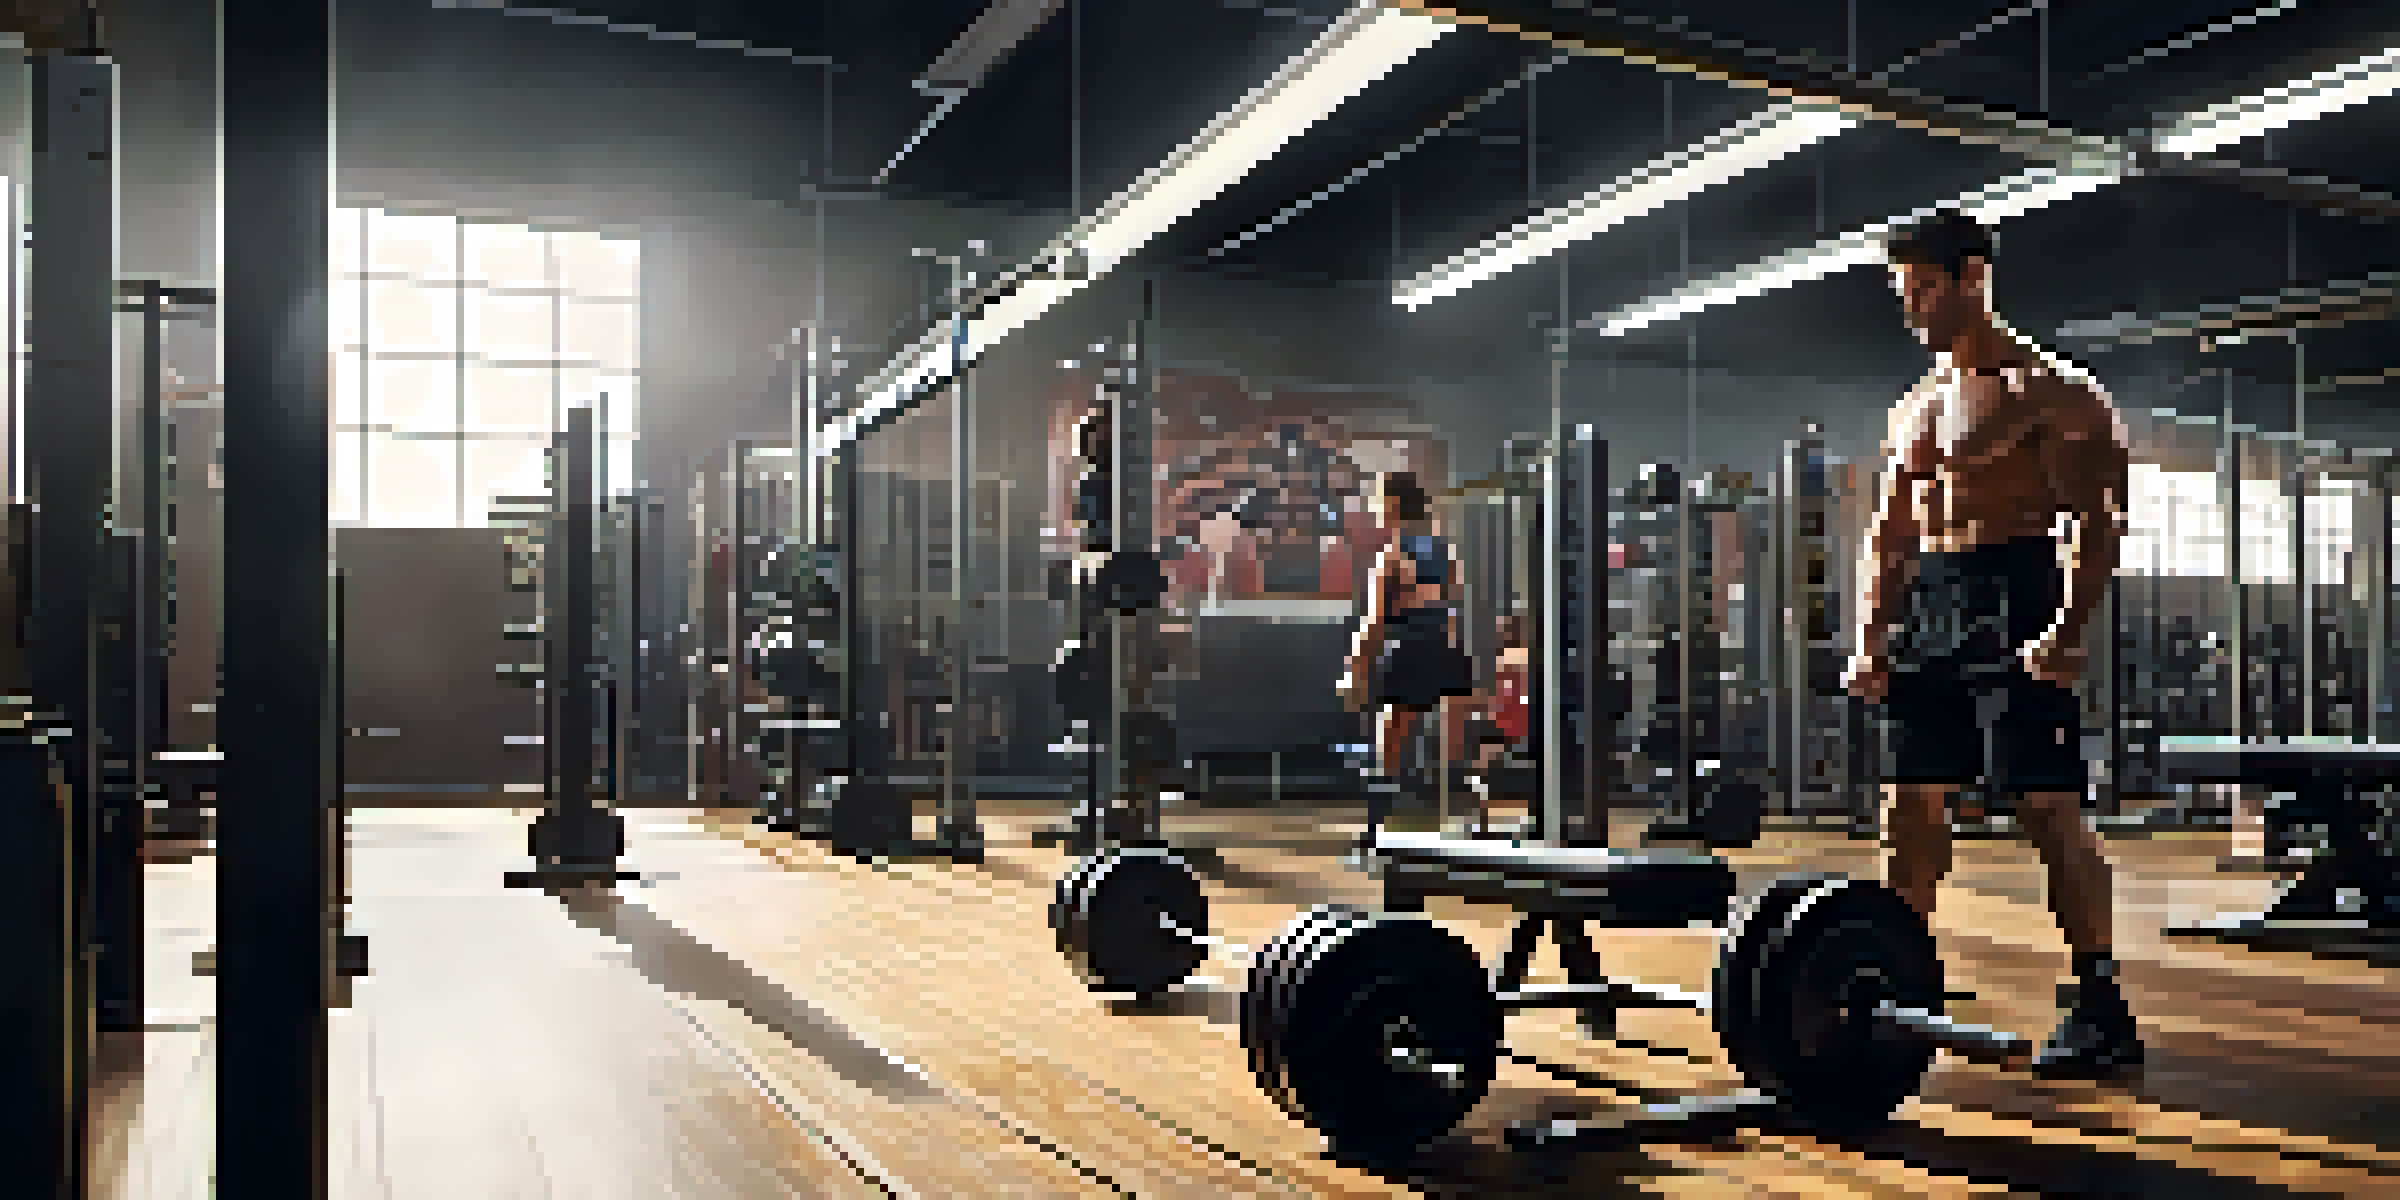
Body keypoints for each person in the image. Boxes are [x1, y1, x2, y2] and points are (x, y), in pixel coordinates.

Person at [1844, 209, 2143, 1078]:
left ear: (1973, 276)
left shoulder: (2049, 393)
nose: (1913, 310)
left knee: (2046, 802)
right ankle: (1902, 980)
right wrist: (1871, 636)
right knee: (1913, 797)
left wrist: (2066, 631)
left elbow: (2098, 521)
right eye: (1905, 293)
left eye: (1925, 290)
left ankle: (2099, 997)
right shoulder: (1914, 409)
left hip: (2017, 589)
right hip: (1933, 600)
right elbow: (1889, 534)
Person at [1341, 472, 1475, 852]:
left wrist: (1355, 671)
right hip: (1442, 648)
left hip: (1408, 649)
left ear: (1393, 506)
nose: (1375, 509)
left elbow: (1375, 623)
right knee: (1453, 747)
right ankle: (1461, 824)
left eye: (1379, 501)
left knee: (1390, 745)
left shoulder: (1393, 556)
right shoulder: (1445, 553)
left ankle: (1375, 830)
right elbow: (1451, 609)